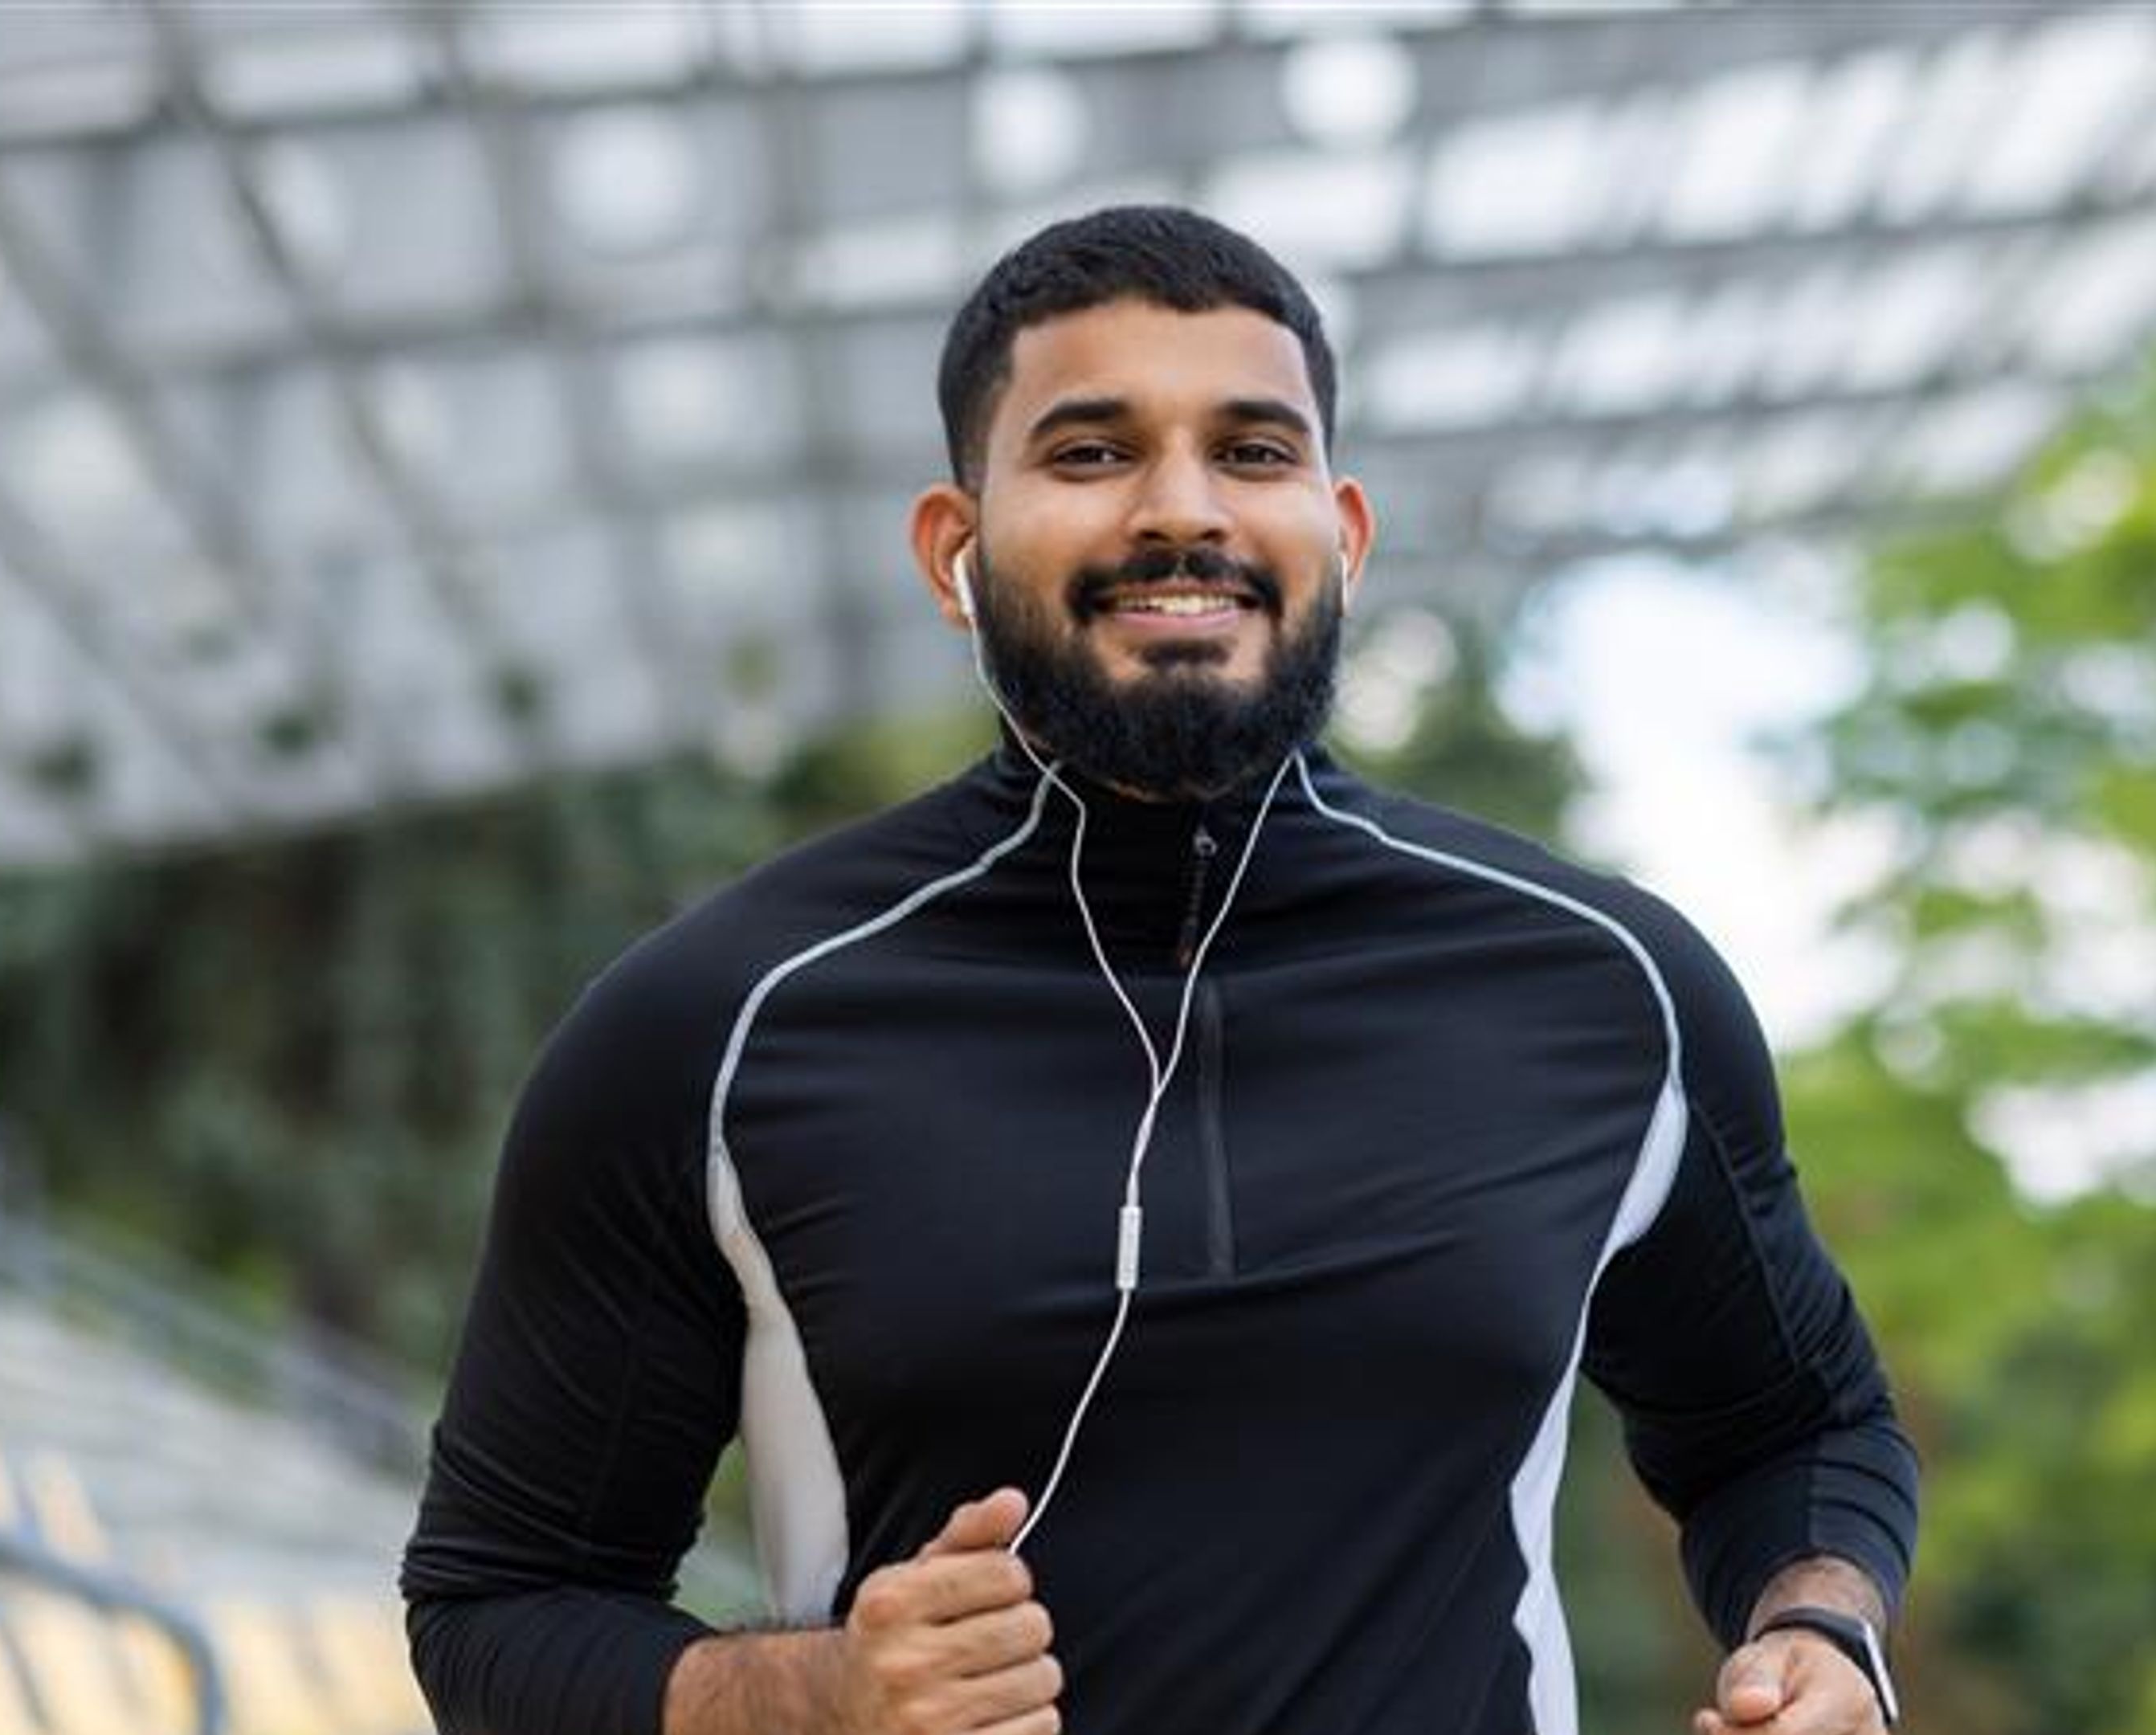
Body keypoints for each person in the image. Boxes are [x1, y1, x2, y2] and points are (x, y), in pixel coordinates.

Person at [401, 205, 1917, 1735]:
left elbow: (1797, 1428)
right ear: (955, 548)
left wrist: (1822, 1632)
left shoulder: (1611, 992)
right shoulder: (712, 1028)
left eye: (1254, 453)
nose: (1182, 509)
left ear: (1344, 535)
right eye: (1090, 453)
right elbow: (497, 1609)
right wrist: (818, 1695)